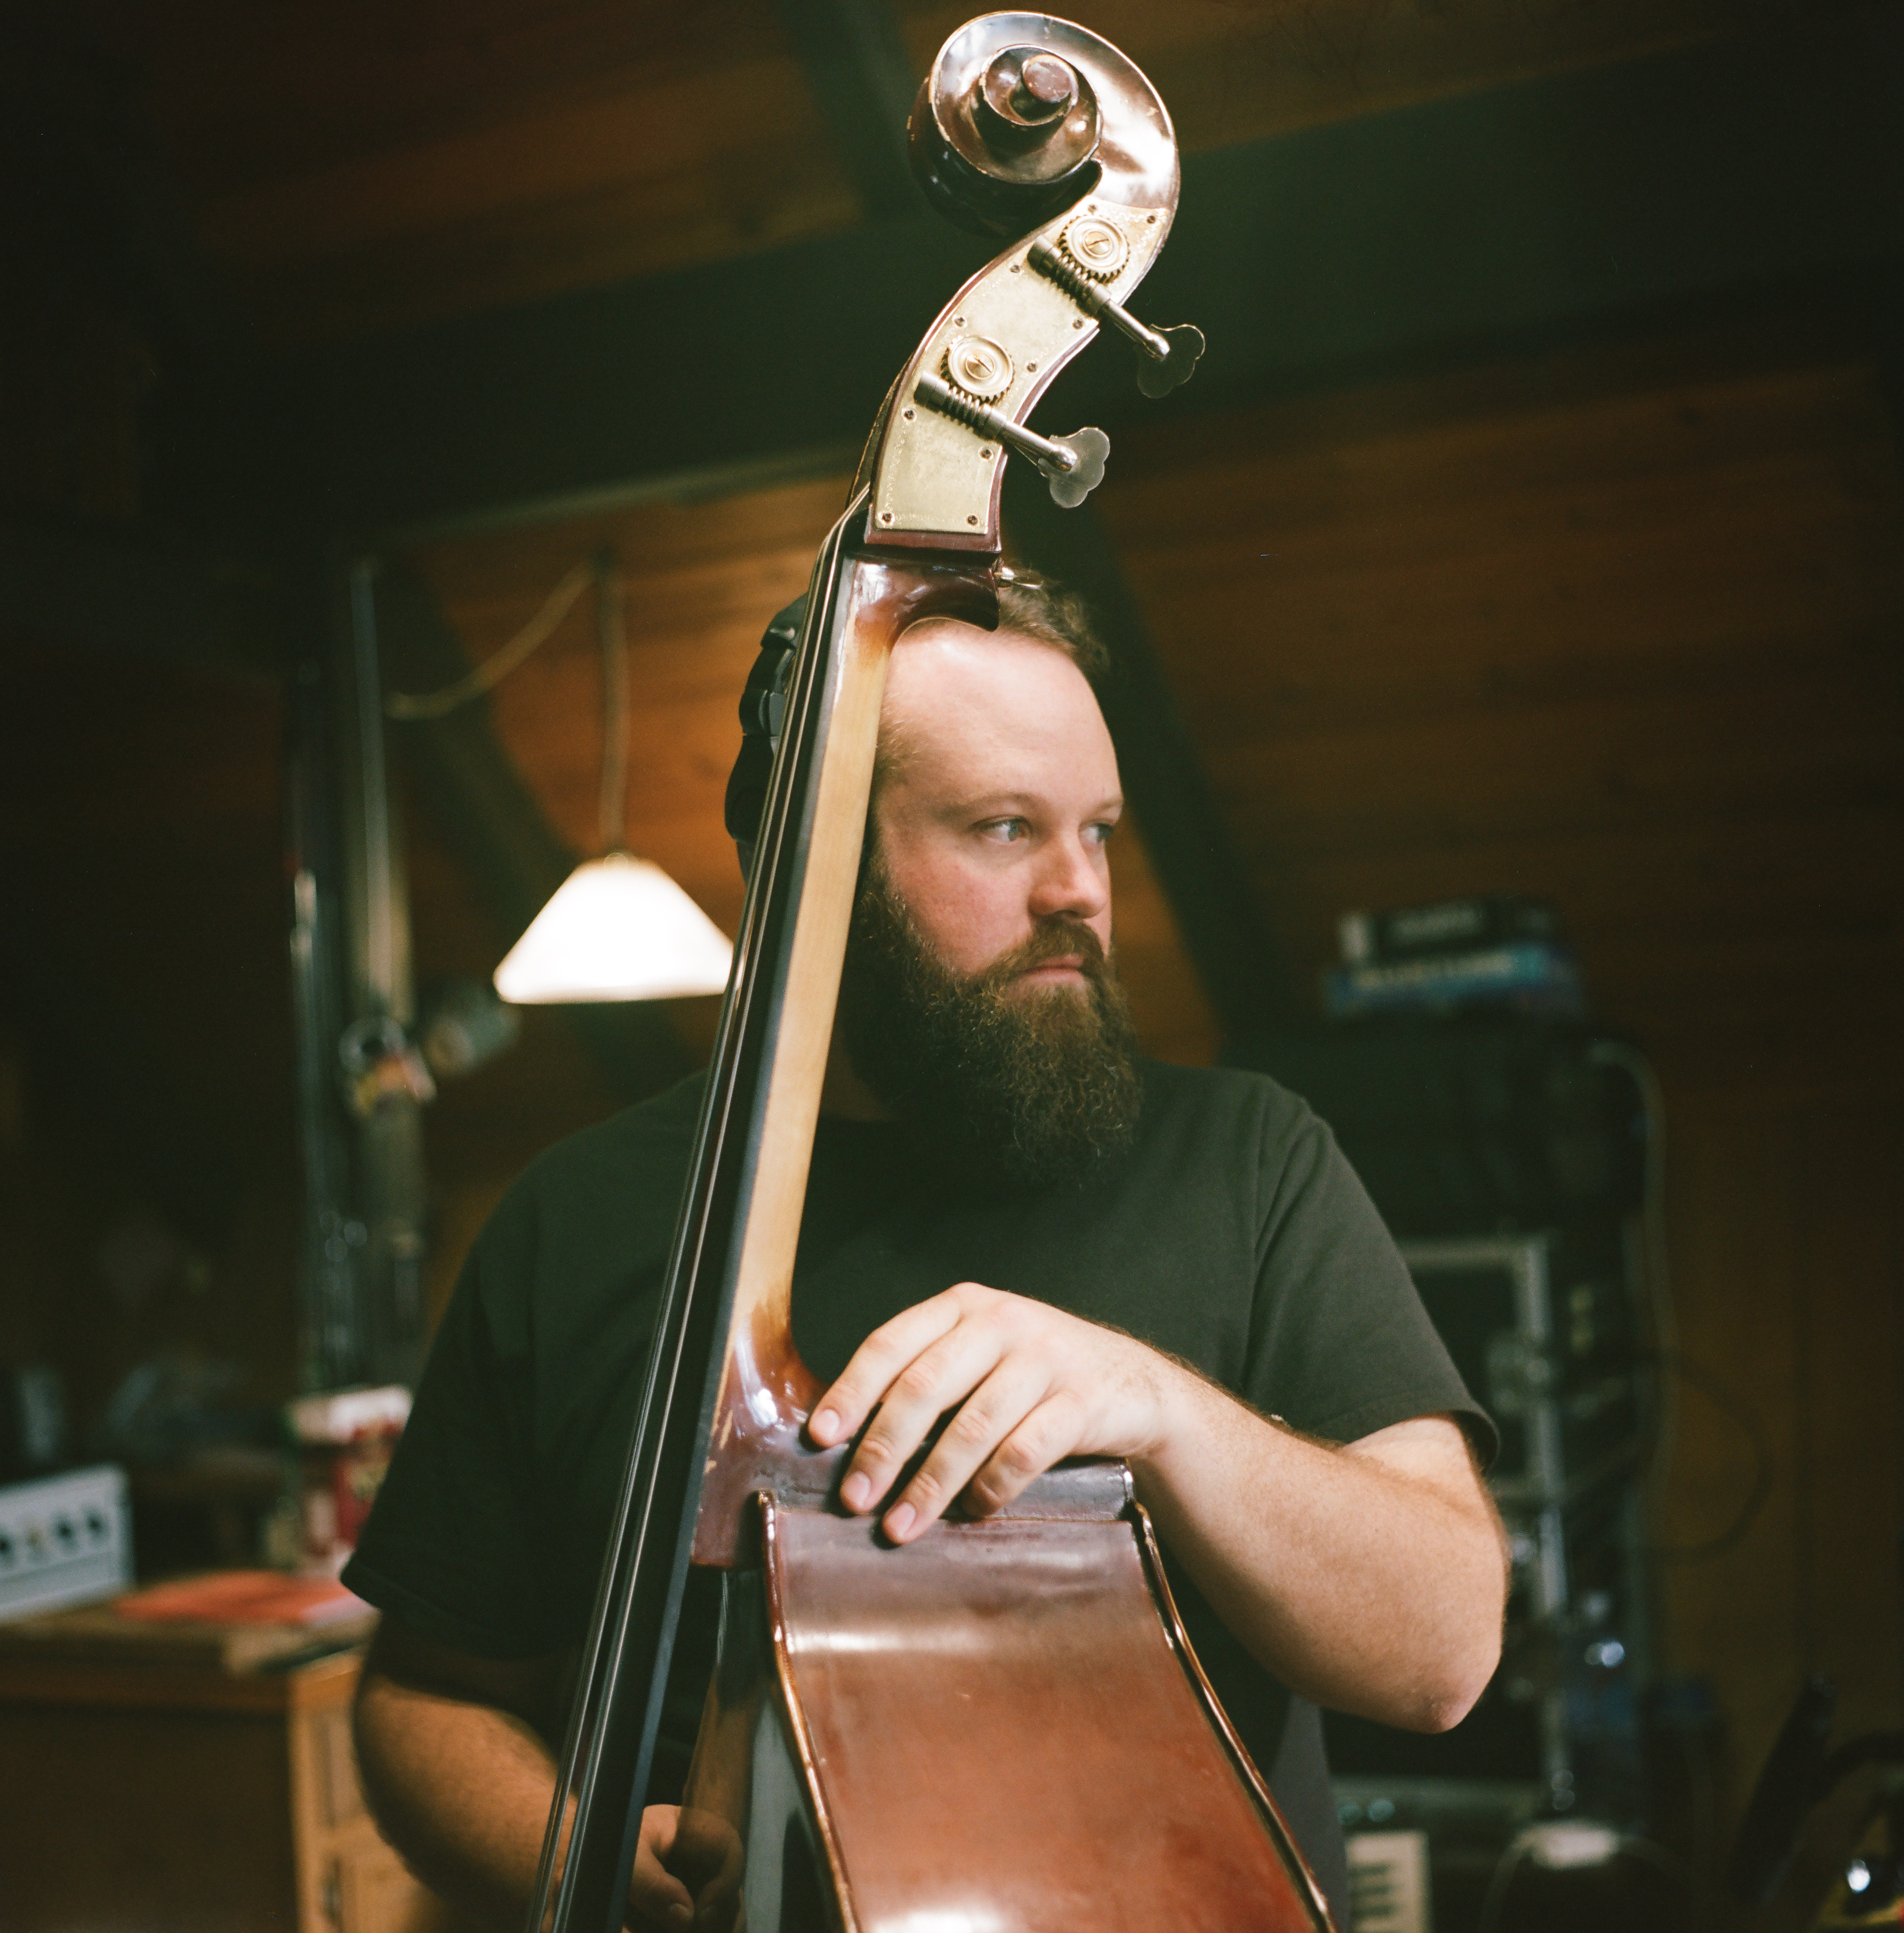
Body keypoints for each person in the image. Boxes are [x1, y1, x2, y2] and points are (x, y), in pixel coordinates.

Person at [345, 578, 1507, 1932]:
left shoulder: (1251, 1160)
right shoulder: (574, 1220)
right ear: (814, 856)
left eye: (1100, 832)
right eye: (1005, 828)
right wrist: (571, 1852)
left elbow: (1444, 1650)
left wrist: (1168, 1413)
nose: (1081, 892)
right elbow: (422, 1699)